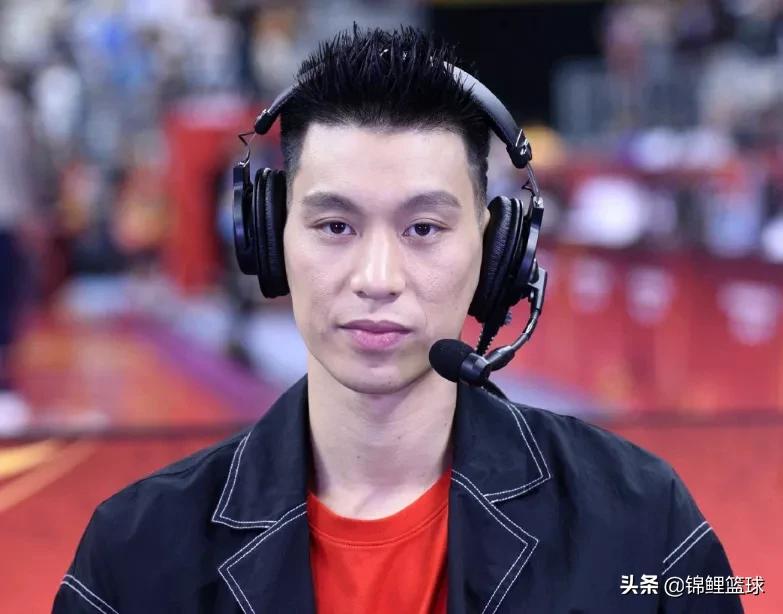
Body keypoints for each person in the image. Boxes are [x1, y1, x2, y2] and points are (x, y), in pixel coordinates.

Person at [53, 26, 743, 613]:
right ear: (269, 238)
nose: (377, 279)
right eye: (334, 226)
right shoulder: (133, 558)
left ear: (497, 252)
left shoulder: (643, 524)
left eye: (422, 228)